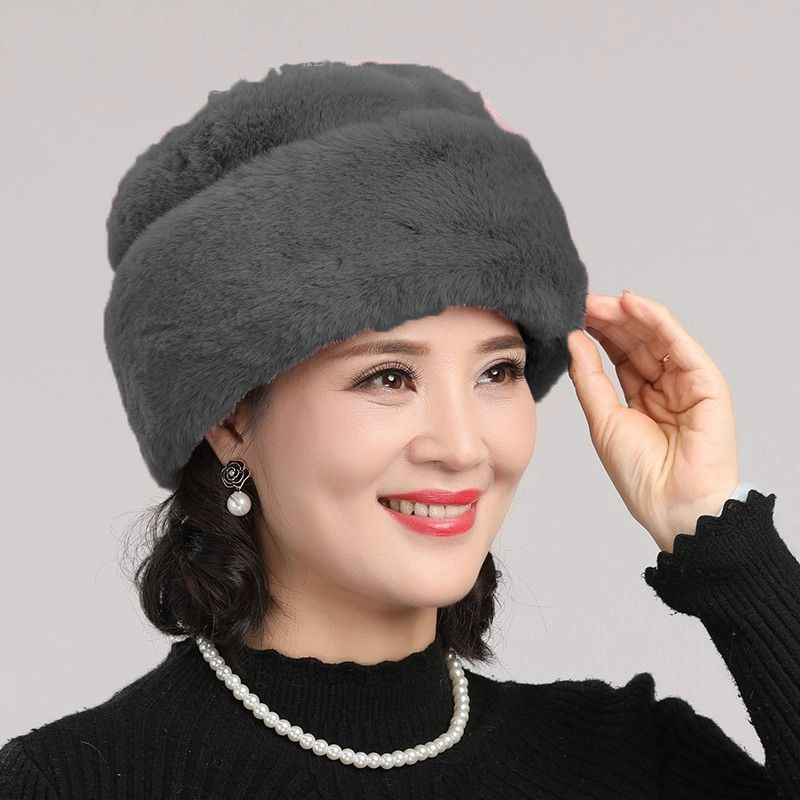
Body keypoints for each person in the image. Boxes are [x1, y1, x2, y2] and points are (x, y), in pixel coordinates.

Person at [1, 61, 797, 799]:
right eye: (389, 378)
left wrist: (718, 532)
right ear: (229, 417)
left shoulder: (629, 762)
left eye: (497, 372)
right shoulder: (74, 783)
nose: (462, 446)